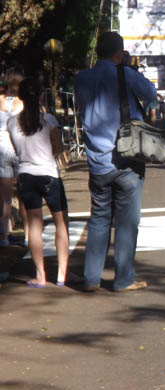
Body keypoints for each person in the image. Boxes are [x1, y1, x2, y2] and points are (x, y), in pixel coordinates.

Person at [75, 32, 157, 292]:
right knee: (126, 223)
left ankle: (91, 278)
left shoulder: (82, 78)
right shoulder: (126, 74)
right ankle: (123, 279)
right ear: (119, 54)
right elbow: (151, 93)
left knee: (99, 218)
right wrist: (129, 69)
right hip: (126, 159)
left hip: (97, 160)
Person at [8, 77, 70, 287]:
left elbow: (16, 150)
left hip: (25, 175)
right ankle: (61, 274)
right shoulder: (48, 120)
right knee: (61, 223)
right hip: (49, 174)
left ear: (20, 97)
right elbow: (59, 147)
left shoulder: (11, 123)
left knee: (35, 226)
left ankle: (40, 275)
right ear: (41, 96)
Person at [0, 67, 24, 247]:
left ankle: (5, 237)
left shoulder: (0, 100)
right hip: (19, 149)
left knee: (5, 199)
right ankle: (28, 235)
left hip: (1, 150)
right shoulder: (23, 102)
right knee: (25, 196)